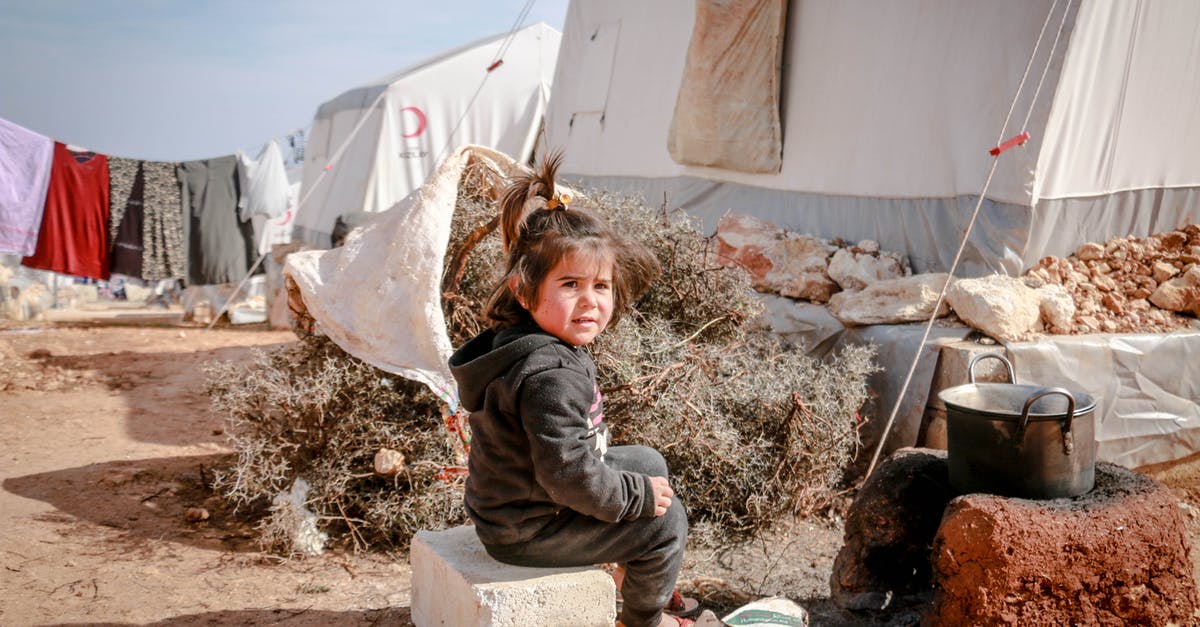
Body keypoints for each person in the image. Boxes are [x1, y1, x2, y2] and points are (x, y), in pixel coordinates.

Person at [448, 153, 701, 627]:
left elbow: (566, 463)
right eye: (570, 284)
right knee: (667, 523)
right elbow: (568, 476)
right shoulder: (549, 375)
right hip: (528, 529)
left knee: (646, 463)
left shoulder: (529, 342)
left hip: (517, 504)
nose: (590, 300)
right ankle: (642, 619)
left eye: (601, 285)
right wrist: (637, 499)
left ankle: (632, 571)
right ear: (523, 291)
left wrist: (634, 487)